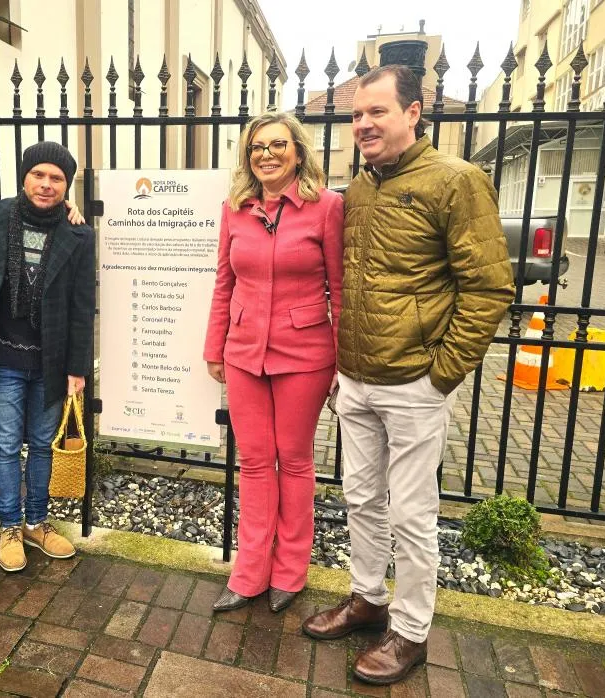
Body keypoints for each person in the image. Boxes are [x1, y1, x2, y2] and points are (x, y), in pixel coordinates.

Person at [301, 65, 515, 685]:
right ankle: (367, 597)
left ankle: (411, 630)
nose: (363, 124)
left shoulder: (457, 181)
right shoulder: (360, 188)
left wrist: (441, 374)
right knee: (362, 497)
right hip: (358, 378)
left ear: (414, 112)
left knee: (412, 513)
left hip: (416, 383)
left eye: (377, 112)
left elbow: (489, 287)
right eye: (356, 115)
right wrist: (345, 366)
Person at [204, 111, 344, 614]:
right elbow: (225, 281)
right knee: (255, 462)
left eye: (277, 145)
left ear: (297, 152)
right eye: (258, 146)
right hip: (243, 351)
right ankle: (249, 573)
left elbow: (340, 288)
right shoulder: (235, 209)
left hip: (305, 354)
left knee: (295, 459)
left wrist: (342, 361)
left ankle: (290, 572)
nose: (267, 154)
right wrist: (213, 346)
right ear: (248, 156)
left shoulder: (326, 208)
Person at [0, 141, 96, 573]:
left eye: (57, 179)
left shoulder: (78, 233)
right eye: (39, 175)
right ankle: (9, 525)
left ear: (68, 186)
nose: (46, 185)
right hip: (3, 356)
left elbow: (83, 305)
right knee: (7, 445)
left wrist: (77, 368)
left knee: (43, 445)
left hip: (50, 360)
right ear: (24, 176)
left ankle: (37, 522)